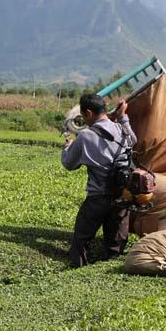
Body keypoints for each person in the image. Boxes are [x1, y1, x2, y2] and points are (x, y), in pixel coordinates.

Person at [62, 94, 137, 267]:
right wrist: (123, 116)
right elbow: (133, 140)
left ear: (88, 113)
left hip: (97, 199)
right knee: (115, 245)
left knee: (81, 241)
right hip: (121, 197)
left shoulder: (86, 136)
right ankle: (110, 277)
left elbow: (69, 164)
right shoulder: (122, 129)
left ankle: (78, 270)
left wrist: (67, 147)